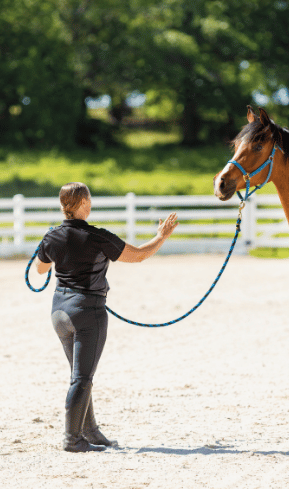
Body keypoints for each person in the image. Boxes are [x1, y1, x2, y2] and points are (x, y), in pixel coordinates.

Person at [35, 182, 178, 452]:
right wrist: (162, 236)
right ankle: (72, 440)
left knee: (79, 375)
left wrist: (54, 249)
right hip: (87, 311)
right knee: (82, 378)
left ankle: (90, 431)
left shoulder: (51, 236)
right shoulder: (98, 237)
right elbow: (138, 256)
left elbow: (41, 270)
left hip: (59, 312)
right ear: (84, 204)